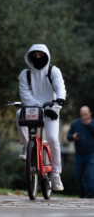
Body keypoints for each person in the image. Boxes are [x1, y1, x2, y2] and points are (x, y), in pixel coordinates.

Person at [16, 44, 66, 191]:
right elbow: (24, 94)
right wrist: (38, 107)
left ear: (46, 55)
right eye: (35, 55)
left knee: (53, 139)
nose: (38, 57)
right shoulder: (25, 74)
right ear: (30, 57)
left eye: (40, 55)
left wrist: (58, 103)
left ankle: (56, 175)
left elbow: (60, 87)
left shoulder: (53, 70)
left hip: (51, 109)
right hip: (33, 108)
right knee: (19, 114)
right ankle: (26, 145)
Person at [67, 106, 94, 198]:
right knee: (78, 176)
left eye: (86, 114)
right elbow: (68, 136)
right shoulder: (75, 124)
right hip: (79, 155)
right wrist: (73, 136)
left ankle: (89, 195)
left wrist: (89, 125)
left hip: (91, 154)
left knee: (90, 175)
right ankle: (82, 193)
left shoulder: (93, 123)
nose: (84, 117)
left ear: (90, 114)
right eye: (82, 115)